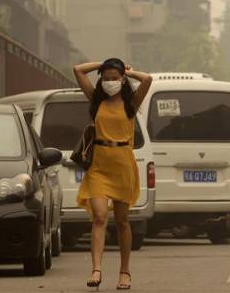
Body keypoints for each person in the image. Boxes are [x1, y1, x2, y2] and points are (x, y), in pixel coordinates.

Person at [73, 58, 152, 291]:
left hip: (123, 165)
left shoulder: (131, 103)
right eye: (105, 78)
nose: (109, 82)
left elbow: (147, 80)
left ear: (122, 79)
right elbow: (78, 70)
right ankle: (96, 269)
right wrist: (104, 62)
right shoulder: (96, 101)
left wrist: (128, 69)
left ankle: (124, 272)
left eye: (114, 78)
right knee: (99, 216)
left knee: (122, 222)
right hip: (99, 165)